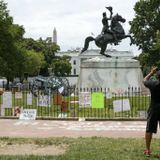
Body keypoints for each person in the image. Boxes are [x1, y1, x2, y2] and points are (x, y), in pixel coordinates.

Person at [143, 66, 160, 157]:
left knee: (149, 129)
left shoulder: (153, 84)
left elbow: (144, 80)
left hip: (154, 109)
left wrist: (152, 72)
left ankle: (148, 150)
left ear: (157, 77)